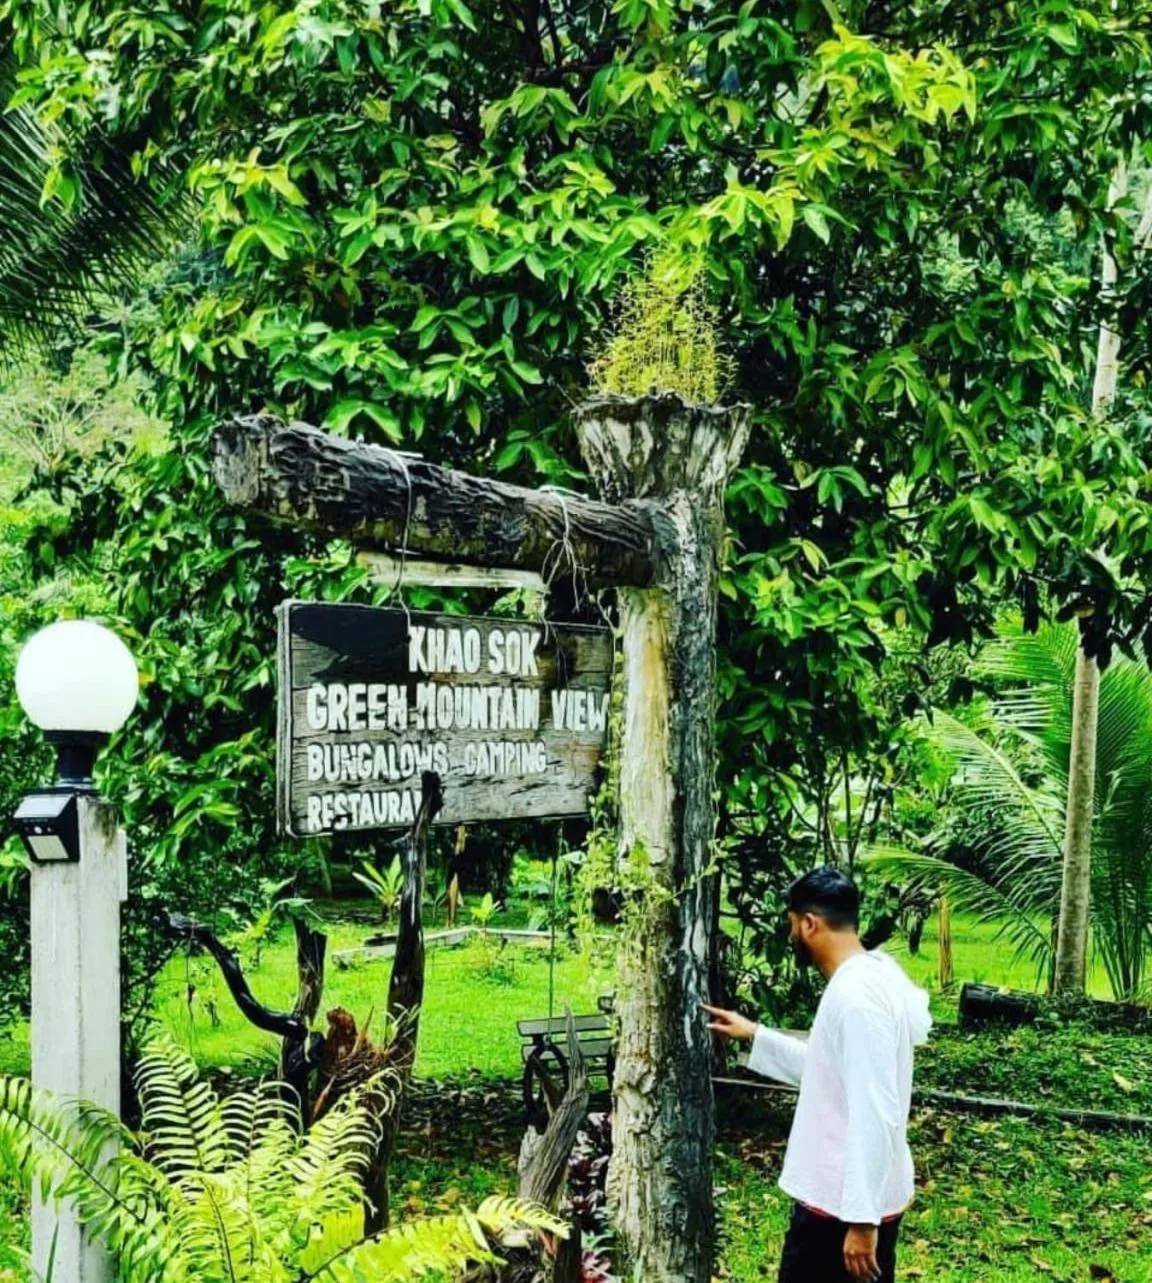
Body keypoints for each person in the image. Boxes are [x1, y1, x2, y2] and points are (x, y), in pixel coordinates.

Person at [704, 867, 932, 1283]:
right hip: (847, 1202)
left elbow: (876, 1108)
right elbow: (830, 1071)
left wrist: (862, 1222)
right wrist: (755, 1035)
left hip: (842, 1212)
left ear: (809, 924)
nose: (792, 937)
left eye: (792, 926)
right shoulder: (871, 974)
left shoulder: (857, 998)